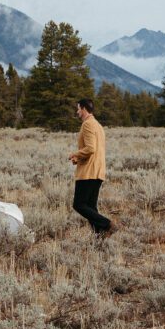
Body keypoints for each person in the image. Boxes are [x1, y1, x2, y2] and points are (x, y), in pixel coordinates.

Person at [69, 98, 113, 236]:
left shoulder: (87, 124)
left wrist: (75, 154)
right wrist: (79, 157)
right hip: (98, 171)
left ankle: (107, 224)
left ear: (83, 109)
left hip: (89, 172)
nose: (77, 112)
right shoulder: (98, 125)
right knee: (91, 207)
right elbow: (93, 149)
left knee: (79, 205)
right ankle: (99, 236)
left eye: (78, 109)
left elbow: (91, 148)